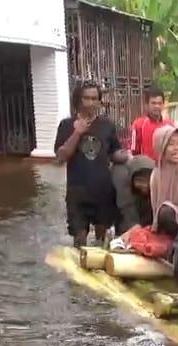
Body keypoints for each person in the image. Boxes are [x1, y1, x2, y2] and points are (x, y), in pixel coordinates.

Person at [54, 81, 126, 247]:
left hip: (102, 190)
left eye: (95, 98)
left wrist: (127, 157)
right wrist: (77, 133)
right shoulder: (66, 125)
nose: (91, 103)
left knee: (101, 239)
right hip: (77, 192)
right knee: (79, 239)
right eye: (87, 98)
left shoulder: (107, 125)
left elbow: (114, 152)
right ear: (79, 100)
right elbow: (60, 158)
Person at [112, 155, 154, 238]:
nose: (144, 185)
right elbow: (128, 213)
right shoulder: (125, 188)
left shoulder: (159, 188)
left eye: (147, 180)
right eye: (139, 181)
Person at [129, 86, 176, 162]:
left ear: (163, 105)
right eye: (153, 103)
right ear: (147, 104)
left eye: (159, 103)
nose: (157, 106)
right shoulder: (138, 125)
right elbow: (133, 152)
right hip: (147, 169)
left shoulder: (171, 125)